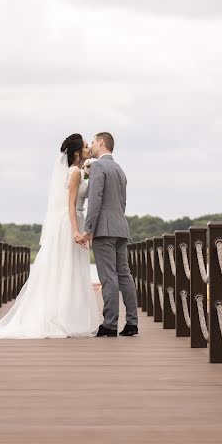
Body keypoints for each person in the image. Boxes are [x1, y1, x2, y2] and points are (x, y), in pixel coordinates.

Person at [0, 134, 102, 339]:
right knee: (67, 269)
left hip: (75, 221)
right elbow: (70, 206)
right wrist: (75, 230)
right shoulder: (74, 173)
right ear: (76, 153)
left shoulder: (78, 171)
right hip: (70, 223)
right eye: (85, 146)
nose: (88, 147)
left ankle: (67, 316)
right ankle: (61, 318)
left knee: (71, 270)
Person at [77, 132, 138, 337]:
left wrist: (88, 229)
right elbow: (122, 202)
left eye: (93, 142)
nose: (91, 145)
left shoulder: (98, 167)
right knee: (124, 275)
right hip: (121, 227)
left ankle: (110, 323)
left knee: (108, 276)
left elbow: (95, 199)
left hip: (104, 229)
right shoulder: (120, 169)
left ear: (101, 142)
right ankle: (132, 322)